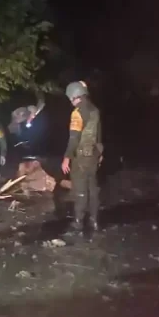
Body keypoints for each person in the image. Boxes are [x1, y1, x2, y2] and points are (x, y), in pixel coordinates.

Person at [61, 81, 103, 232]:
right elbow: (98, 134)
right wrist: (100, 153)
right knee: (93, 189)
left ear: (74, 96)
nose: (70, 101)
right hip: (93, 156)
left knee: (80, 189)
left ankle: (78, 222)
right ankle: (94, 221)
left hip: (80, 157)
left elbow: (74, 138)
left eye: (70, 98)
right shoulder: (95, 110)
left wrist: (67, 157)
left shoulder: (77, 113)